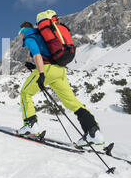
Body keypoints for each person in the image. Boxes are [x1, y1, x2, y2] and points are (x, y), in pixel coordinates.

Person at [17, 11, 105, 147]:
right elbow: (48, 53)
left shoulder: (29, 37)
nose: (20, 36)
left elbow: (37, 55)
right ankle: (93, 132)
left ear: (23, 30)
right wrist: (34, 66)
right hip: (59, 71)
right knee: (71, 102)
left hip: (46, 70)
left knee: (25, 93)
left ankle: (31, 124)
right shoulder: (42, 35)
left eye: (19, 33)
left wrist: (40, 73)